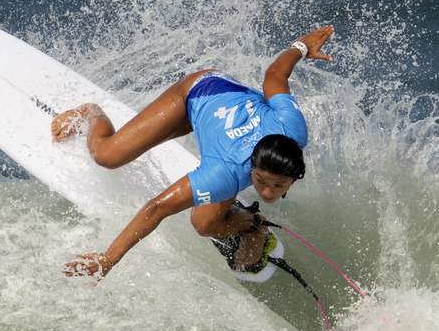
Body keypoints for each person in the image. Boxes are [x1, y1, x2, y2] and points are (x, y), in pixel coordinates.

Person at [54, 25, 334, 279]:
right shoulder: (225, 173)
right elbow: (157, 208)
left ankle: (250, 223)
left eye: (278, 185)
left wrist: (300, 48)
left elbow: (276, 75)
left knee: (204, 223)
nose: (269, 192)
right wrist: (108, 260)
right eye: (260, 181)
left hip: (226, 119)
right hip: (198, 93)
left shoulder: (293, 127)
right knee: (107, 156)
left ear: (296, 174)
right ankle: (91, 113)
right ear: (251, 169)